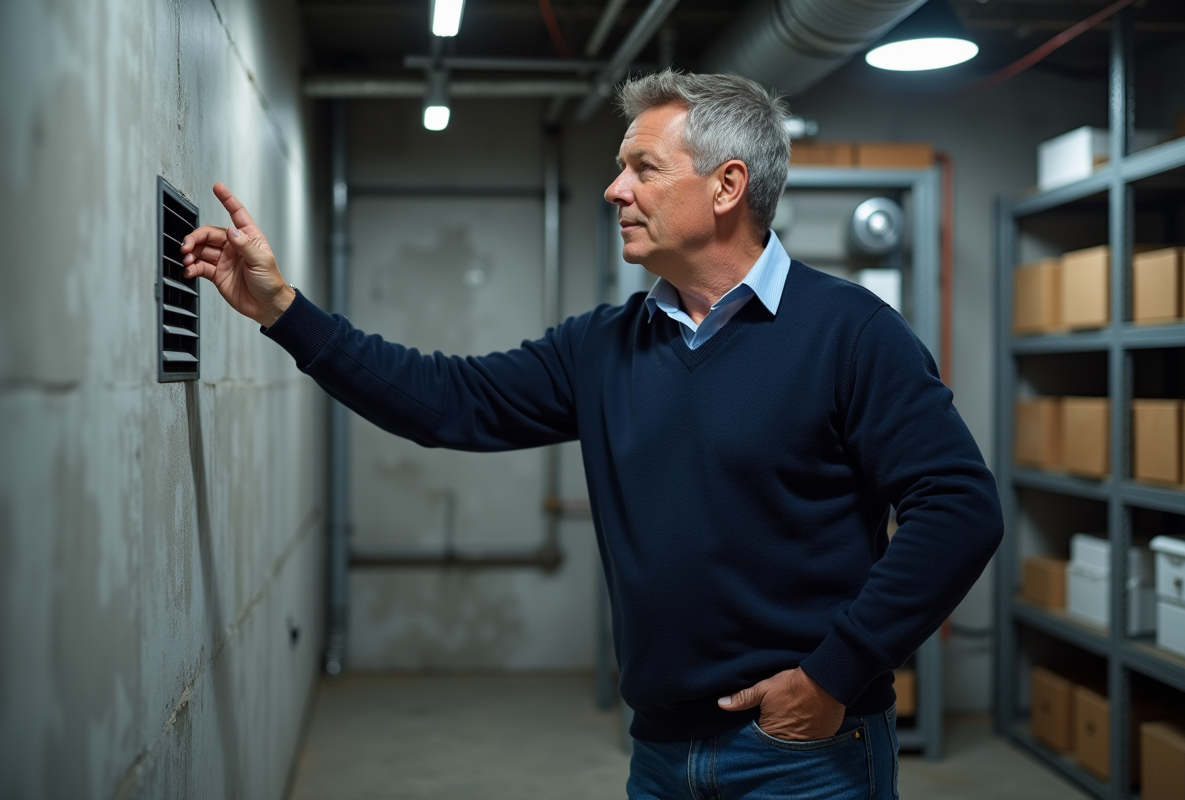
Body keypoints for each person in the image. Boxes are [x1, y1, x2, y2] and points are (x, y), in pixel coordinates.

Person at [181, 70, 1002, 800]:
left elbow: (959, 507)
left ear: (727, 187)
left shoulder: (851, 333)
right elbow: (445, 401)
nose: (615, 190)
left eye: (643, 168)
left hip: (805, 755)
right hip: (661, 756)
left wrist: (834, 673)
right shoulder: (603, 346)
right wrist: (284, 313)